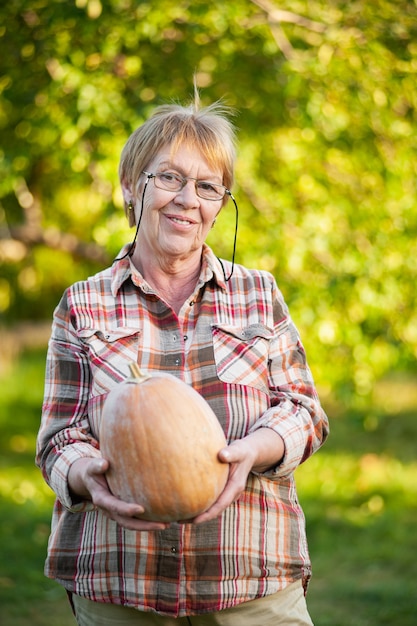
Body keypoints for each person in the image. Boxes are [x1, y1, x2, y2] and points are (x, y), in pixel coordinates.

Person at [36, 92, 329, 626]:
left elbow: (304, 412)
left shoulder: (258, 294)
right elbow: (59, 437)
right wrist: (87, 475)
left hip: (249, 575)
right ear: (131, 185)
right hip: (121, 579)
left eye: (207, 187)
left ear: (221, 205)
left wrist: (251, 451)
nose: (187, 199)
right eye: (168, 178)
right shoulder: (82, 304)